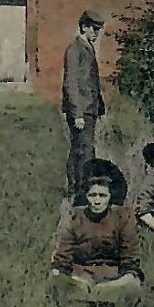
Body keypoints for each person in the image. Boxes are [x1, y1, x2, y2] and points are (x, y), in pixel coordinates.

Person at [51, 169, 143, 302]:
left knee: (132, 287)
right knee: (59, 283)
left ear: (110, 197)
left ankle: (102, 296)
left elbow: (130, 257)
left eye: (102, 195)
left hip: (114, 276)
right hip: (82, 275)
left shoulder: (123, 218)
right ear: (86, 196)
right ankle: (86, 297)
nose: (97, 201)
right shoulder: (76, 218)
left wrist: (123, 279)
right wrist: (61, 273)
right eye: (92, 195)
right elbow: (63, 256)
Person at [62, 10, 107, 198]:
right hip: (81, 110)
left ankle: (75, 189)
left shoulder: (87, 48)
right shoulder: (75, 49)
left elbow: (91, 81)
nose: (96, 33)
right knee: (85, 151)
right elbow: (71, 83)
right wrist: (77, 113)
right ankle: (82, 191)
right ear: (84, 27)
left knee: (79, 150)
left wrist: (100, 107)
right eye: (94, 29)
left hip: (90, 109)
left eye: (99, 30)